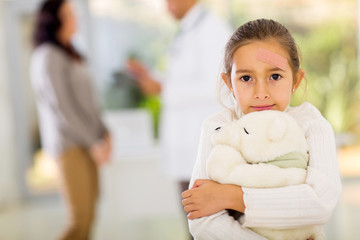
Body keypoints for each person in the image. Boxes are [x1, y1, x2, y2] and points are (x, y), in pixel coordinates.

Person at [181, 19, 342, 239]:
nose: (261, 92)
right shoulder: (217, 128)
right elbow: (201, 219)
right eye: (246, 78)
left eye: (275, 76)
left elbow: (320, 203)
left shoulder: (311, 124)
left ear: (296, 79)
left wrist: (232, 196)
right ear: (229, 83)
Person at [127, 0, 232, 205]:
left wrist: (162, 88)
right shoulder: (188, 29)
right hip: (186, 149)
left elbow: (217, 86)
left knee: (206, 227)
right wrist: (151, 77)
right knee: (193, 222)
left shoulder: (212, 29)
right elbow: (181, 81)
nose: (165, 4)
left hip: (201, 149)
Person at [30, 0, 112, 239]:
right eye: (69, 14)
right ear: (54, 20)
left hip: (89, 143)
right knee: (79, 221)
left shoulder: (72, 52)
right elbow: (63, 109)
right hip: (70, 146)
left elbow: (89, 101)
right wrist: (94, 142)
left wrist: (105, 133)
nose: (75, 19)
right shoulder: (48, 56)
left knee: (89, 219)